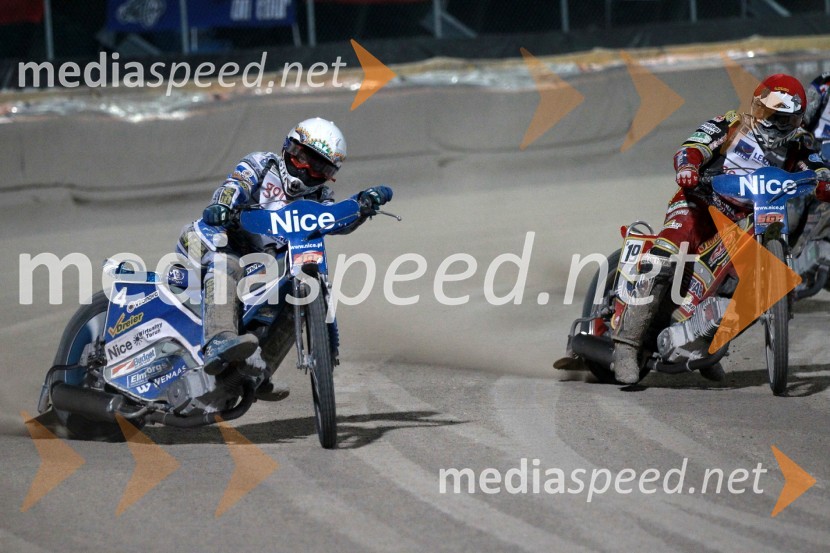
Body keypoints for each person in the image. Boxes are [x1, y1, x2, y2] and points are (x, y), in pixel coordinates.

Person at [611, 73, 830, 384]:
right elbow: (694, 145)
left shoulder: (800, 143)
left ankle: (704, 344)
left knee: (752, 286)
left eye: (787, 119)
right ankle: (626, 345)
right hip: (700, 207)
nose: (778, 125)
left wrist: (823, 180)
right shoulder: (731, 123)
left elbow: (818, 165)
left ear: (796, 120)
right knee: (663, 257)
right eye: (772, 116)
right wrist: (688, 166)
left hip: (751, 219)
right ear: (758, 108)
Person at [176, 117, 392, 379]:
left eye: (318, 169)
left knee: (294, 289)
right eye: (303, 159)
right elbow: (234, 185)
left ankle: (256, 373)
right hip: (215, 238)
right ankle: (219, 339)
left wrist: (363, 206)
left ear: (329, 175)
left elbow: (335, 222)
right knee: (227, 263)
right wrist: (222, 206)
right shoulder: (260, 163)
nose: (306, 172)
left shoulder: (319, 197)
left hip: (261, 262)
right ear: (289, 148)